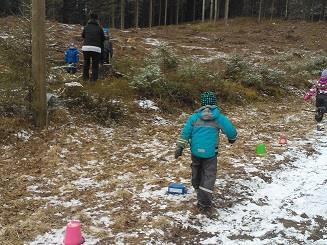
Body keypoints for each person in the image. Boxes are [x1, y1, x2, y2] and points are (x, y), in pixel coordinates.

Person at [175, 91, 237, 213]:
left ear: (202, 103)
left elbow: (185, 133)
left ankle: (197, 187)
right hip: (210, 154)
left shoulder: (194, 117)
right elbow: (231, 131)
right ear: (214, 103)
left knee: (196, 169)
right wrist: (232, 138)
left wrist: (180, 146)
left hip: (195, 152)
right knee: (209, 175)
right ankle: (204, 202)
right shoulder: (219, 118)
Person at [81, 13, 105, 82]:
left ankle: (85, 79)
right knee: (95, 65)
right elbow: (103, 38)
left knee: (86, 63)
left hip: (86, 48)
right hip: (96, 49)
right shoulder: (99, 28)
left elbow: (83, 35)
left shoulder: (86, 27)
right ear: (97, 19)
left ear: (90, 19)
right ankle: (93, 81)